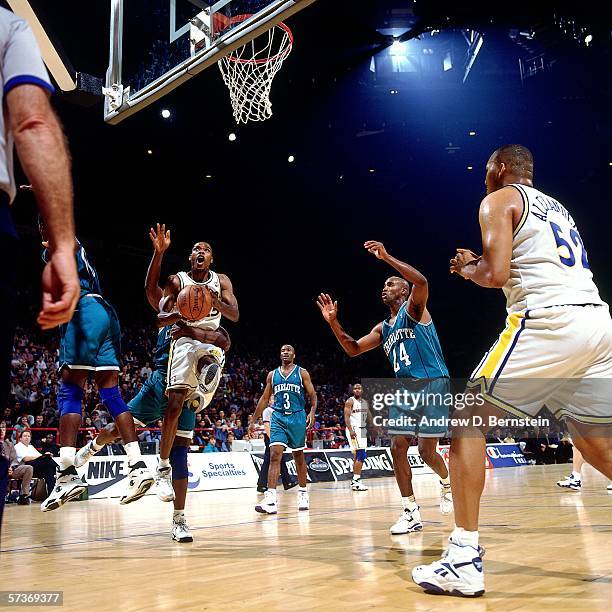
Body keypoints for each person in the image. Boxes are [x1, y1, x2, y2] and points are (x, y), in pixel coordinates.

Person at [412, 144, 612, 597]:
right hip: (598, 323)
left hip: (549, 320)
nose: (483, 178)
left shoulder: (499, 199)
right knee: (596, 441)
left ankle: (463, 557)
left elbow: (497, 274)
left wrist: (468, 269)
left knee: (466, 420)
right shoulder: (558, 208)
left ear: (500, 169)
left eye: (487, 170)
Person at [74, 225, 230, 543]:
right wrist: (158, 253)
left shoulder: (199, 312)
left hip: (183, 383)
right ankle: (92, 448)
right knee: (116, 431)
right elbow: (150, 287)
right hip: (159, 380)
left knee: (181, 453)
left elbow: (224, 335)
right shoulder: (168, 304)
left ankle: (179, 519)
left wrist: (210, 333)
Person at [317, 241, 453, 534]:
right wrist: (333, 322)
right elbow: (353, 349)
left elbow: (422, 280)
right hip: (405, 391)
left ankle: (446, 481)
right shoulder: (383, 328)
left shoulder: (415, 309)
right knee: (397, 446)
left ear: (404, 291)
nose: (385, 287)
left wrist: (386, 257)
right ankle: (410, 511)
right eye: (385, 285)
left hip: (433, 385)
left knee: (428, 453)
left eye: (391, 284)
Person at [37, 219, 153, 511]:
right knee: (111, 394)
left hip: (84, 311)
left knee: (70, 390)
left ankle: (66, 475)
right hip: (105, 313)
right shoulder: (58, 252)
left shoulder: (64, 239)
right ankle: (138, 466)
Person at [155, 240, 238, 497]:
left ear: (211, 258)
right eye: (196, 249)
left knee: (215, 348)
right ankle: (163, 468)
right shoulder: (177, 281)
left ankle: (205, 375)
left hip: (210, 338)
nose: (200, 251)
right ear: (190, 257)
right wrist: (181, 313)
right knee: (174, 405)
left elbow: (234, 314)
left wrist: (215, 303)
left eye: (206, 249)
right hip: (184, 338)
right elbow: (161, 317)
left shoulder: (221, 280)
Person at [251, 345, 317, 514]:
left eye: (288, 350)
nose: (285, 352)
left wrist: (312, 412)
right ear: (280, 355)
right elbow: (265, 398)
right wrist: (253, 419)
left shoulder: (302, 373)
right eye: (282, 350)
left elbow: (313, 395)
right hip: (279, 417)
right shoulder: (272, 375)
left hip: (297, 417)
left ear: (294, 355)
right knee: (274, 455)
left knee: (299, 456)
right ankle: (271, 498)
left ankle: (303, 493)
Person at [256, 397, 297, 493]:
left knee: (280, 460)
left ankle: (287, 482)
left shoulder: (280, 412)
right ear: (269, 401)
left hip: (278, 437)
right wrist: (272, 439)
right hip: (271, 438)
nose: (274, 400)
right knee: (268, 460)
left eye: (276, 399)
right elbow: (266, 426)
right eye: (272, 399)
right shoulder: (267, 411)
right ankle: (262, 484)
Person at [14, 430, 56, 499]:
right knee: (47, 461)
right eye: (25, 436)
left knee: (49, 469)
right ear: (20, 438)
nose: (27, 438)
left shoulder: (31, 447)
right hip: (26, 467)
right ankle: (59, 468)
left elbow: (40, 456)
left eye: (28, 436)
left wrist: (46, 455)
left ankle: (51, 495)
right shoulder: (18, 446)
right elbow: (25, 459)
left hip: (37, 466)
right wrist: (42, 456)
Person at [344, 383, 368, 492]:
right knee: (361, 455)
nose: (357, 390)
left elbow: (369, 416)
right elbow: (346, 417)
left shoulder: (364, 402)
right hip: (354, 429)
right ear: (353, 390)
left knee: (357, 456)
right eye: (355, 388)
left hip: (362, 429)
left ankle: (355, 481)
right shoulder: (350, 401)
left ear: (362, 390)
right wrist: (351, 430)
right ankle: (356, 480)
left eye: (359, 388)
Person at [1, 421, 32, 504]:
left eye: (3, 429)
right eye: (0, 429)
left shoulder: (9, 444)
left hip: (10, 470)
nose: (2, 431)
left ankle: (23, 495)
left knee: (28, 468)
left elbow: (14, 459)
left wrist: (11, 467)